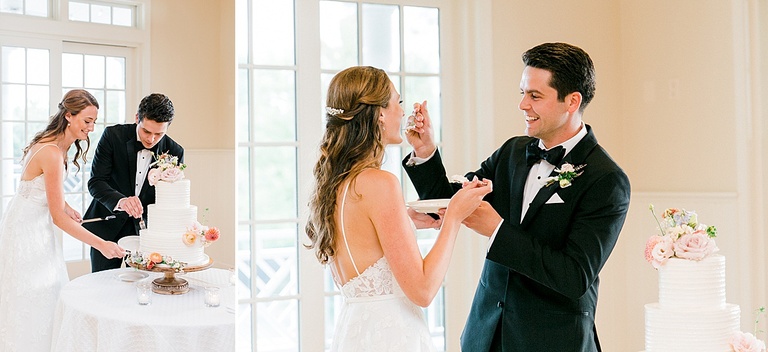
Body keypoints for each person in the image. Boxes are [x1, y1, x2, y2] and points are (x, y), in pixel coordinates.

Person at [402, 43, 631, 351]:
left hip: (553, 342)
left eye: (535, 96)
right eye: (522, 92)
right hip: (486, 335)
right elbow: (452, 202)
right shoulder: (512, 152)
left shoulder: (606, 180)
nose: (523, 104)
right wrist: (426, 151)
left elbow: (574, 276)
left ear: (571, 101)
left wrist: (496, 230)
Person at [305, 66, 493, 351]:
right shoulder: (380, 183)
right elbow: (423, 290)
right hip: (390, 336)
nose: (403, 112)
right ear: (380, 113)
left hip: (355, 331)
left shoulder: (339, 181)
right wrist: (454, 215)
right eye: (399, 102)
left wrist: (404, 222)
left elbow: (360, 238)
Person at [0, 89, 125, 351]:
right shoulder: (52, 152)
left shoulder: (57, 144)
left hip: (30, 218)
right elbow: (57, 218)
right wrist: (101, 243)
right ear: (68, 116)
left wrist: (67, 206)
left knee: (46, 288)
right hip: (27, 228)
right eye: (86, 121)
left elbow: (43, 190)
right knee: (32, 290)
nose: (91, 128)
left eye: (93, 122)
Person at [83, 93, 184, 272]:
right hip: (107, 229)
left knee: (140, 289)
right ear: (137, 118)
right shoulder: (113, 136)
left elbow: (168, 200)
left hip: (145, 235)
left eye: (159, 134)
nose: (151, 139)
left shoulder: (174, 152)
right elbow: (96, 182)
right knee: (103, 288)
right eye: (146, 131)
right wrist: (121, 201)